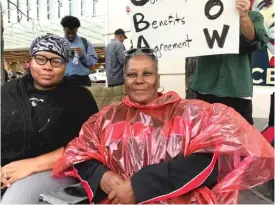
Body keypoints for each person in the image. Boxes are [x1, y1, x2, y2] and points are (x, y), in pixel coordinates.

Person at [53, 48, 274, 204]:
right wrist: (102, 176)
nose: (139, 80)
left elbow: (215, 160)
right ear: (124, 79)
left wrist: (142, 185)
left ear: (158, 79)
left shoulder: (191, 113)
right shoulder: (105, 118)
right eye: (132, 74)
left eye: (146, 73)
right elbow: (80, 154)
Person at [1, 33, 99, 204]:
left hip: (54, 170)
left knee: (16, 201)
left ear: (65, 65)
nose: (47, 66)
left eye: (56, 61)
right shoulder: (7, 92)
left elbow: (87, 145)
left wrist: (32, 165)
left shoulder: (79, 98)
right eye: (40, 59)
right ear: (30, 61)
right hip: (5, 170)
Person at [191, 0, 269, 125]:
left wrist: (244, 16)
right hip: (204, 88)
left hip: (237, 90)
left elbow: (252, 39)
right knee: (202, 135)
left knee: (240, 137)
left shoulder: (254, 16)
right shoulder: (199, 14)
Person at [61, 16, 98, 86]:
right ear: (63, 29)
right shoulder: (59, 43)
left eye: (73, 33)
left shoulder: (85, 42)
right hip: (64, 80)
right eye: (68, 33)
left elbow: (93, 61)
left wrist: (83, 55)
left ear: (77, 30)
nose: (71, 35)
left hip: (82, 80)